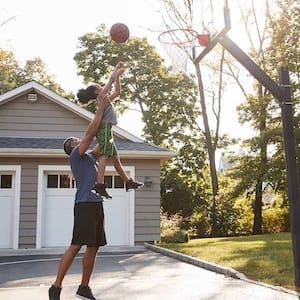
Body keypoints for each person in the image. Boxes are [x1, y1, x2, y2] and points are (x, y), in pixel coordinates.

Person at [48, 66, 118, 300]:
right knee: (77, 244)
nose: (78, 139)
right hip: (85, 204)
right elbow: (90, 133)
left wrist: (107, 110)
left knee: (93, 246)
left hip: (95, 203)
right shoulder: (76, 156)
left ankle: (84, 286)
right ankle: (56, 286)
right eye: (74, 141)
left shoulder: (89, 156)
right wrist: (99, 108)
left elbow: (101, 141)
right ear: (71, 147)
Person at [77, 62, 143, 199]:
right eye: (100, 87)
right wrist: (116, 69)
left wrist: (118, 76)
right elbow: (111, 81)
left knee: (116, 160)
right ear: (97, 91)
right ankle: (99, 184)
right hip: (105, 129)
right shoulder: (101, 98)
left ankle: (128, 182)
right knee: (104, 156)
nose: (103, 87)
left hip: (108, 130)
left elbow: (118, 92)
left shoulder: (105, 100)